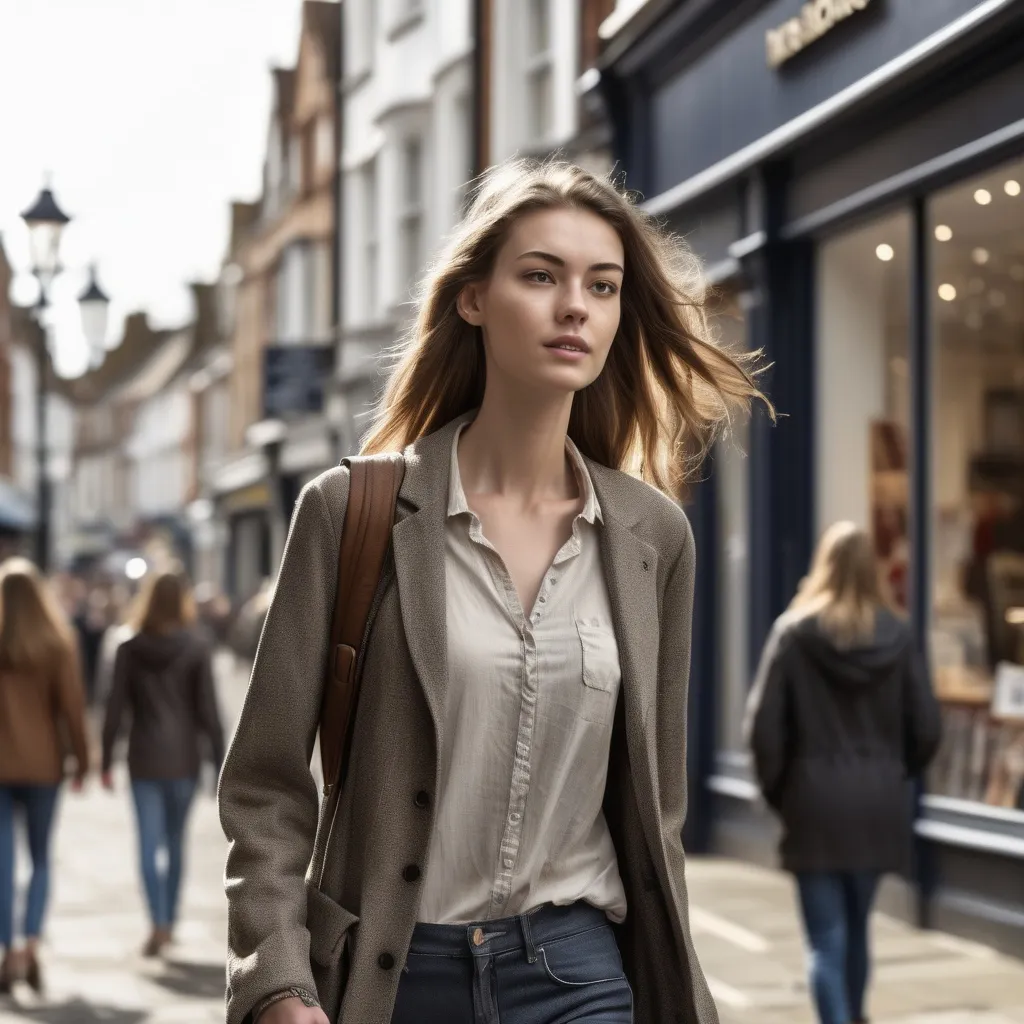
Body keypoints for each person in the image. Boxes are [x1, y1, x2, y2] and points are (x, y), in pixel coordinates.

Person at [219, 157, 768, 1024]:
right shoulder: (349, 511)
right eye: (541, 275)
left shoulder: (652, 538)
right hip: (394, 976)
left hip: (580, 974)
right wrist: (279, 981)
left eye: (603, 285)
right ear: (472, 297)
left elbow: (655, 815)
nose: (574, 307)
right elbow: (265, 785)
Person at [745, 521, 941, 1024]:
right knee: (857, 929)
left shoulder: (793, 633)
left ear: (823, 565)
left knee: (825, 941)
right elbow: (927, 728)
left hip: (813, 805)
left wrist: (778, 792)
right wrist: (896, 773)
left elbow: (762, 729)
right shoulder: (898, 635)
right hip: (878, 804)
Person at [102, 570, 225, 958]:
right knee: (175, 844)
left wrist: (105, 757)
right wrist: (221, 761)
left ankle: (156, 921)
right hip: (184, 759)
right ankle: (169, 922)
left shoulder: (129, 645)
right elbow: (208, 710)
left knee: (147, 844)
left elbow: (115, 707)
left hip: (143, 758)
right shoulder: (196, 646)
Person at [0, 558, 90, 995]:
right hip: (43, 767)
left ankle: (7, 948)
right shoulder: (57, 641)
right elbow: (72, 709)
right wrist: (84, 762)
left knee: (1, 861)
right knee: (38, 859)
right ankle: (31, 941)